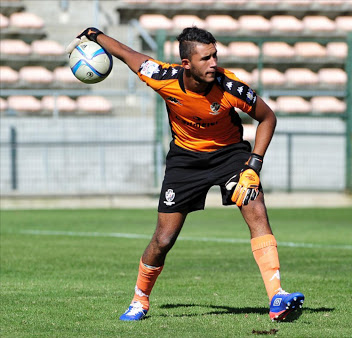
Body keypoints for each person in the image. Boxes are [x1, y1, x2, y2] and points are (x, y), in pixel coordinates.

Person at [66, 26, 304, 322]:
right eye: (206, 58)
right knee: (164, 239)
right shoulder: (162, 77)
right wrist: (95, 34)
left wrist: (253, 166)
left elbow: (268, 117)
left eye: (215, 55)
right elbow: (128, 55)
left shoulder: (230, 87)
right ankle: (140, 299)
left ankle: (277, 297)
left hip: (230, 155)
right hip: (185, 160)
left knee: (255, 208)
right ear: (186, 64)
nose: (214, 63)